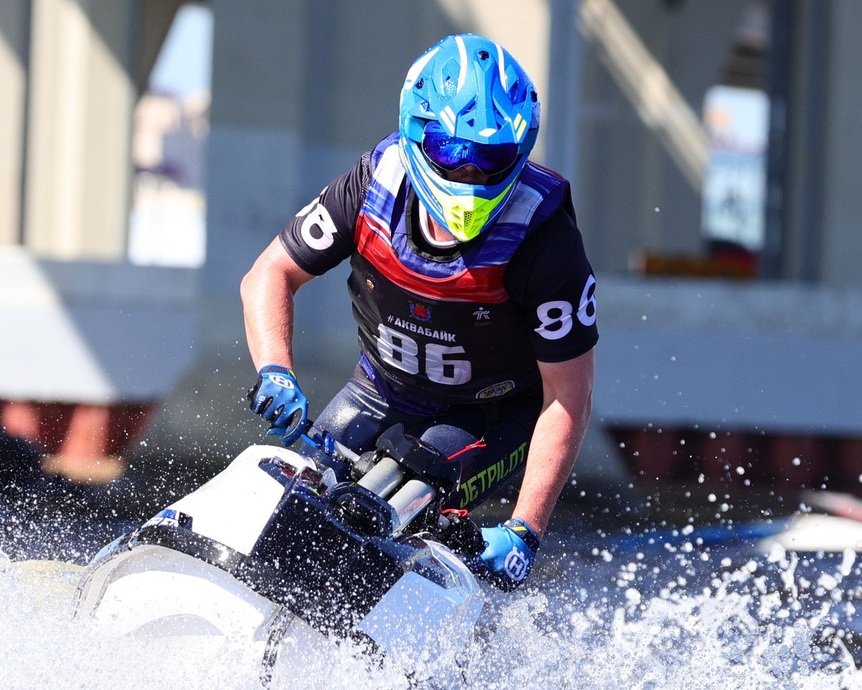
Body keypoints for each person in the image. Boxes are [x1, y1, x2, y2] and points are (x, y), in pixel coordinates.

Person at [238, 34, 598, 592]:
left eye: (492, 159)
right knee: (302, 492)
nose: (469, 177)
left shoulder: (546, 239)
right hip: (380, 390)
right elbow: (269, 275)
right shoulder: (373, 182)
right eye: (452, 152)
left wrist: (525, 532)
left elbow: (567, 396)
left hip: (491, 417)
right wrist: (275, 369)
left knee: (400, 496)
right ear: (415, 131)